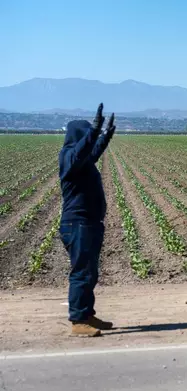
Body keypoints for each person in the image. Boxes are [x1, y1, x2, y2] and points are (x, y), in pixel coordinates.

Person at [59, 103, 116, 337]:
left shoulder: (82, 161)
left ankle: (87, 314)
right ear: (79, 136)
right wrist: (94, 131)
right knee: (82, 272)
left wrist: (105, 135)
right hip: (77, 224)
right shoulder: (68, 158)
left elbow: (92, 153)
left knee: (90, 272)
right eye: (85, 135)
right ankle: (78, 320)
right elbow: (82, 152)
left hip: (89, 224)